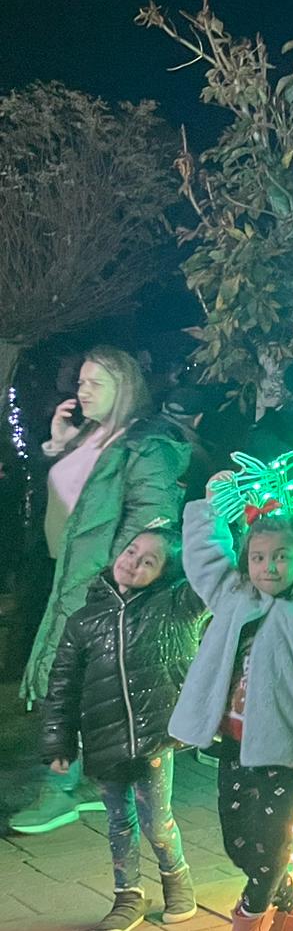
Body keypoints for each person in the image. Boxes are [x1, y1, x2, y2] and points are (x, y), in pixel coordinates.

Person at [168, 478, 293, 931]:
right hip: (234, 742)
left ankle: (248, 926)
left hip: (286, 749)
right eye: (258, 557)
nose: (268, 567)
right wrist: (209, 506)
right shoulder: (235, 595)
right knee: (238, 840)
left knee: (270, 842)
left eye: (280, 557)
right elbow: (205, 557)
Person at [13, 346, 190, 834]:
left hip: (99, 582)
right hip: (66, 573)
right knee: (71, 677)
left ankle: (60, 790)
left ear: (123, 388)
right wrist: (58, 446)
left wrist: (120, 576)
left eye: (95, 383)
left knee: (72, 681)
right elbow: (76, 499)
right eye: (81, 382)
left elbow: (152, 517)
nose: (81, 391)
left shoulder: (144, 446)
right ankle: (86, 782)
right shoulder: (93, 437)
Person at [38, 527, 204, 931]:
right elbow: (63, 684)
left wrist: (220, 521)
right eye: (132, 552)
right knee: (118, 822)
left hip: (154, 737)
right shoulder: (83, 621)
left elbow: (211, 578)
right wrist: (58, 740)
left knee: (157, 821)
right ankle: (128, 896)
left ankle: (176, 877)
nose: (133, 562)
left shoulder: (175, 605)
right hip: (102, 740)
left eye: (149, 561)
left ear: (165, 574)